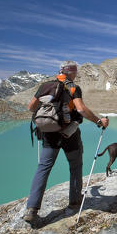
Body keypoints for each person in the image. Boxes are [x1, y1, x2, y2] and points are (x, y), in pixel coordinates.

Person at [23, 60, 108, 223]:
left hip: (48, 133)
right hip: (70, 133)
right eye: (75, 71)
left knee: (44, 167)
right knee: (75, 165)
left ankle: (31, 209)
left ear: (60, 71)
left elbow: (31, 107)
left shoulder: (45, 86)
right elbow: (81, 109)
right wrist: (98, 121)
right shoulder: (73, 87)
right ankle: (75, 201)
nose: (76, 74)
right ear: (72, 72)